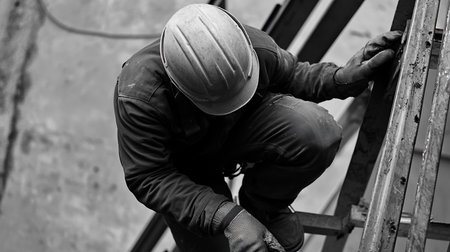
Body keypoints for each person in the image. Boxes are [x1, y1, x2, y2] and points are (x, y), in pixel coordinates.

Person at [113, 3, 401, 252]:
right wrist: (226, 216)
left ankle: (262, 204)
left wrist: (340, 78)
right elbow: (149, 176)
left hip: (239, 131)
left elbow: (293, 76)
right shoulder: (139, 96)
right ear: (179, 87)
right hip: (185, 173)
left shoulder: (248, 46)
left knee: (318, 132)